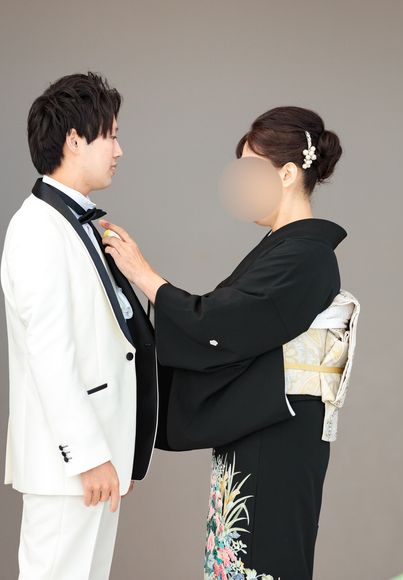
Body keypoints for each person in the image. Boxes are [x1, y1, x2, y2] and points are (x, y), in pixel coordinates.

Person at [101, 106, 360, 580]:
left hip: (278, 433)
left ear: (286, 174)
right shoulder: (285, 249)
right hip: (255, 424)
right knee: (236, 557)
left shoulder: (308, 255)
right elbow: (226, 324)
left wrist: (145, 276)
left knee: (262, 559)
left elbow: (226, 324)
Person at [0, 72, 158, 580]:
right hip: (70, 467)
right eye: (111, 135)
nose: (119, 150)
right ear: (74, 140)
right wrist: (87, 456)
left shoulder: (76, 223)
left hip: (95, 462)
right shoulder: (37, 228)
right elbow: (49, 353)